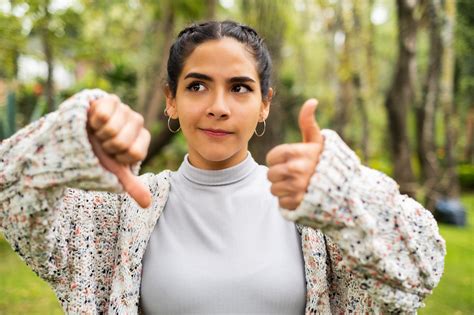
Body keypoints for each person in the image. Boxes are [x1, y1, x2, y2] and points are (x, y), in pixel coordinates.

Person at [0, 20, 445, 314]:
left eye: (239, 88)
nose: (218, 107)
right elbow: (11, 198)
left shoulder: (316, 215)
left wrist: (344, 191)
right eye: (197, 86)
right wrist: (69, 138)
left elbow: (420, 270)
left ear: (264, 105)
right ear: (171, 100)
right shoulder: (119, 213)